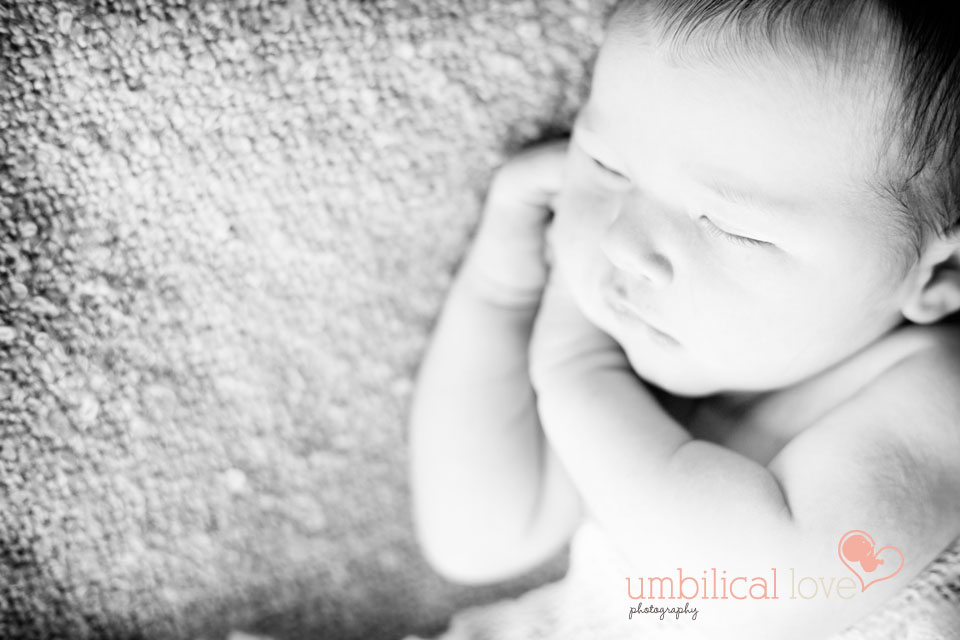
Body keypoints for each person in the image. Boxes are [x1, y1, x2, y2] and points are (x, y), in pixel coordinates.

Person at [407, 1, 960, 637]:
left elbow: (752, 597)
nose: (623, 243)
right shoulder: (659, 361)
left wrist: (575, 370)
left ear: (939, 275)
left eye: (732, 227)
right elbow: (477, 538)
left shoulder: (933, 389)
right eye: (606, 166)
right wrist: (501, 290)